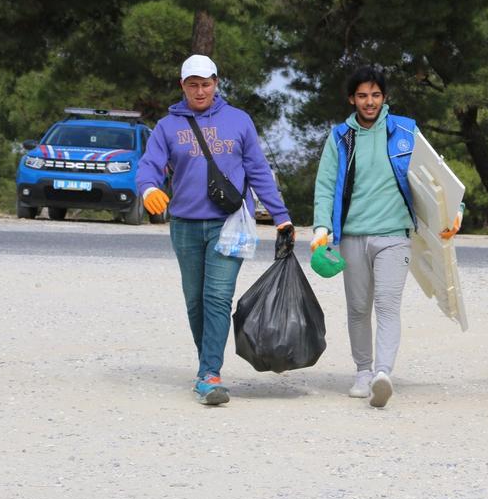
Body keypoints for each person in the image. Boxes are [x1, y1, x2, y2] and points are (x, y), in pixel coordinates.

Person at [136, 54, 294, 406]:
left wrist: (280, 216)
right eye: (193, 84)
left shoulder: (239, 121)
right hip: (185, 226)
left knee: (217, 298)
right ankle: (205, 365)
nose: (200, 90)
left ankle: (210, 374)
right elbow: (149, 166)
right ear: (183, 86)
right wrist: (148, 189)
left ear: (217, 83)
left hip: (231, 223)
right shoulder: (167, 127)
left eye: (206, 83)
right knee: (195, 302)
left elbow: (258, 171)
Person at [310, 66, 428, 409]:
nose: (369, 101)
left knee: (387, 305)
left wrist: (456, 208)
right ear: (352, 99)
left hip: (394, 235)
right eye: (362, 95)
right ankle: (363, 372)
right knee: (358, 308)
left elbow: (434, 175)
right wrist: (321, 227)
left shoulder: (405, 130)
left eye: (376, 95)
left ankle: (383, 374)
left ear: (384, 98)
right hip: (352, 236)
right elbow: (325, 184)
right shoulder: (339, 137)